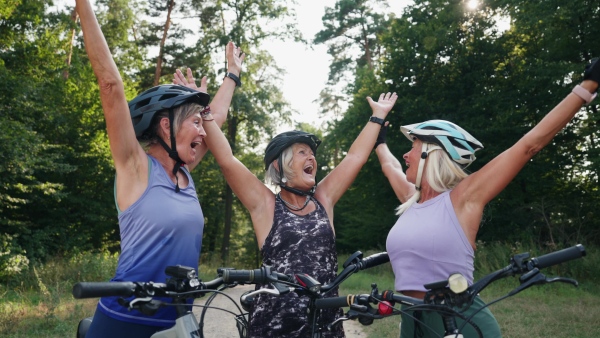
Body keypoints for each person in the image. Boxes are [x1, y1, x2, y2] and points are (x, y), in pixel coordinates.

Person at [375, 58, 600, 338]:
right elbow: (390, 167)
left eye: (412, 146)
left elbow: (528, 145)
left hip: (460, 320)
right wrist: (378, 135)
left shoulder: (463, 198)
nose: (406, 155)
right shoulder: (411, 201)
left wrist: (587, 86)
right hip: (412, 320)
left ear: (431, 153)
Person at [75, 0, 245, 336]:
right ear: (165, 127)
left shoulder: (184, 174)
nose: (204, 130)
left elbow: (215, 120)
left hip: (176, 320)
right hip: (123, 320)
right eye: (195, 122)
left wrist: (232, 76)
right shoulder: (136, 168)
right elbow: (110, 85)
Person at [200, 92, 397, 337]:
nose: (311, 157)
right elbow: (227, 160)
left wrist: (377, 116)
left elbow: (355, 157)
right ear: (278, 165)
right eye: (302, 152)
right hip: (275, 326)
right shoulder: (266, 205)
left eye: (311, 153)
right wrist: (206, 115)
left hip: (325, 322)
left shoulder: (324, 199)